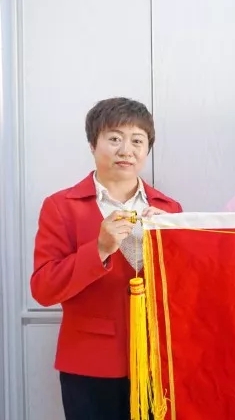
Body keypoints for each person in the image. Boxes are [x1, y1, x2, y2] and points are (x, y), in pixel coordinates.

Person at [30, 97, 183, 420]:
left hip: (157, 361)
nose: (126, 150)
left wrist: (173, 246)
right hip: (89, 364)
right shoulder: (61, 206)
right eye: (115, 138)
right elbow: (43, 288)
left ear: (147, 149)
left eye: (137, 141)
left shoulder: (168, 209)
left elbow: (183, 291)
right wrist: (99, 249)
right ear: (92, 144)